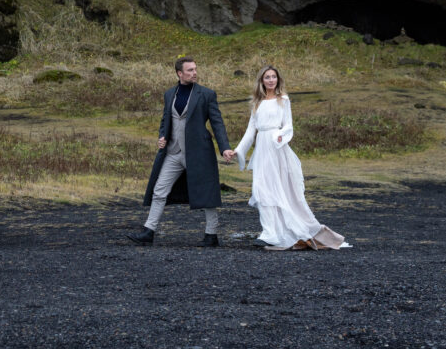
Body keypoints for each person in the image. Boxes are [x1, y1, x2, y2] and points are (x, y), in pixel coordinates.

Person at [233, 65, 350, 250]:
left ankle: (277, 233)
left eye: (273, 77)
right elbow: (250, 131)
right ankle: (270, 232)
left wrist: (279, 136)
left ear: (277, 80)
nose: (271, 80)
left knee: (278, 189)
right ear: (261, 81)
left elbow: (288, 125)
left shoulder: (283, 100)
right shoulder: (257, 103)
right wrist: (238, 150)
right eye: (267, 77)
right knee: (261, 188)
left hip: (277, 148)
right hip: (262, 149)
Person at [128, 56, 235, 246]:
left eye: (195, 69)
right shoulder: (170, 94)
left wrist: (224, 148)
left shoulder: (207, 94)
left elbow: (217, 123)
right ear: (179, 73)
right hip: (173, 152)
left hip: (198, 152)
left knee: (206, 193)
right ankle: (148, 232)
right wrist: (162, 136)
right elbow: (165, 120)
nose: (194, 73)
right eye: (190, 70)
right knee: (159, 190)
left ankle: (212, 235)